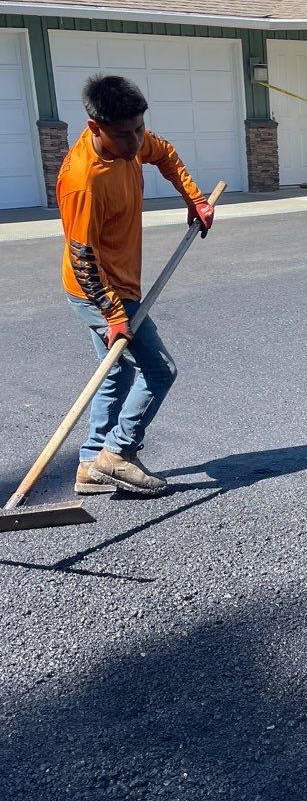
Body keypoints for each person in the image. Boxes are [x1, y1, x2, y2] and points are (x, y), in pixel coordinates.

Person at [59, 75, 214, 497]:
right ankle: (118, 452)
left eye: (139, 129)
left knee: (116, 371)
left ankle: (91, 464)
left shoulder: (131, 142)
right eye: (125, 134)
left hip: (121, 283)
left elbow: (164, 153)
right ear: (95, 128)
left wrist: (195, 198)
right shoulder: (84, 181)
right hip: (98, 290)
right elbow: (82, 257)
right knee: (160, 371)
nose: (135, 142)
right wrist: (113, 314)